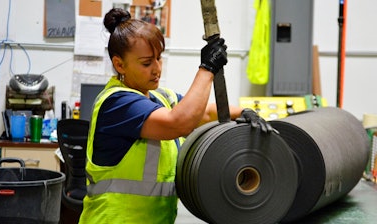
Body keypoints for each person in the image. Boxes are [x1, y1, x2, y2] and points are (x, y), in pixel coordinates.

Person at [78, 8, 272, 224]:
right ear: (119, 64)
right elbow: (179, 123)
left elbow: (204, 112)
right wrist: (207, 68)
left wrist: (243, 112)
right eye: (146, 63)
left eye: (159, 59)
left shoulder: (162, 98)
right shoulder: (117, 103)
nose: (157, 69)